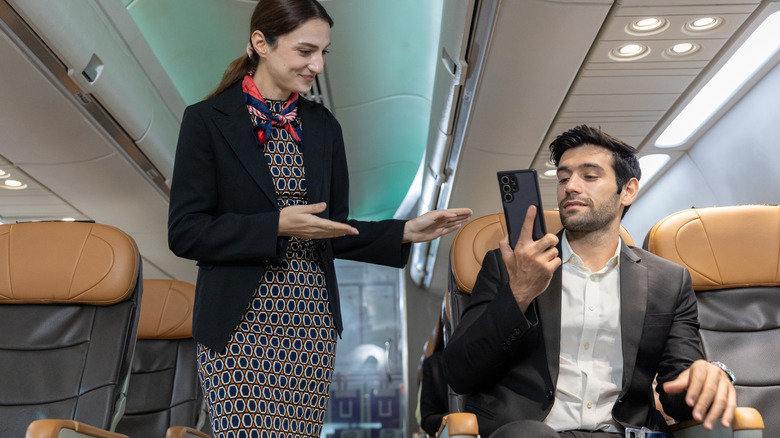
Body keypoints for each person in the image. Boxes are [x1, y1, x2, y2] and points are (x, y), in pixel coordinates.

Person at [167, 1, 472, 436]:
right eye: (305, 51)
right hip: (238, 325)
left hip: (309, 321)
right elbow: (185, 232)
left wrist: (406, 230)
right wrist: (275, 226)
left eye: (324, 53)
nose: (317, 65)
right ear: (261, 43)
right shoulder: (206, 121)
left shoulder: (322, 126)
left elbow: (333, 229)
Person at [443, 125, 736, 438]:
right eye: (563, 177)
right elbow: (460, 374)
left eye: (589, 176)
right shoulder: (508, 266)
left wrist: (707, 378)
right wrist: (519, 292)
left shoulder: (669, 281)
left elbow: (678, 396)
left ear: (628, 190)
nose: (571, 186)